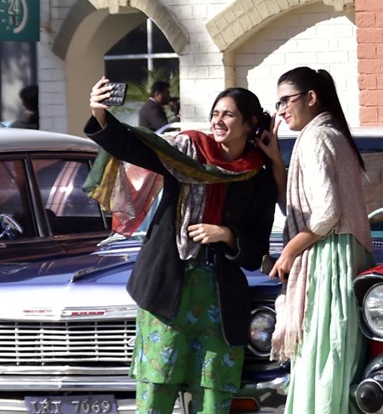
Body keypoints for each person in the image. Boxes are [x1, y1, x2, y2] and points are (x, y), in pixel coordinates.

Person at [84, 77, 277, 414]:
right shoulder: (186, 152)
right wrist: (100, 114)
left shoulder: (257, 177)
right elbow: (134, 147)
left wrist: (227, 235)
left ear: (250, 124)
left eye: (229, 115)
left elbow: (257, 252)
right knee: (156, 389)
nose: (218, 120)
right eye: (215, 113)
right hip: (167, 289)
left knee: (214, 392)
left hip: (219, 301)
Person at [261, 67, 374, 414]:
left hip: (328, 257)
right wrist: (276, 161)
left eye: (286, 100)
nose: (280, 110)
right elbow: (296, 207)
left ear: (311, 98)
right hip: (341, 253)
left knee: (322, 356)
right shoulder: (331, 134)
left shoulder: (316, 137)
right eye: (277, 102)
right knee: (337, 358)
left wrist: (291, 250)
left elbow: (325, 214)